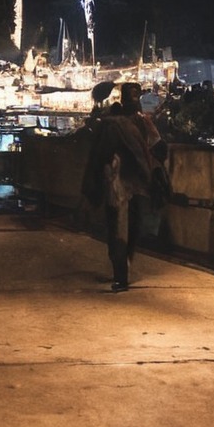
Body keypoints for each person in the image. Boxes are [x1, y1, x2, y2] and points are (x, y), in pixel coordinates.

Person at [80, 83, 161, 291]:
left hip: (119, 184)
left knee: (118, 228)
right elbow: (157, 145)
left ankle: (121, 274)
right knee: (129, 228)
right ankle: (122, 270)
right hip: (135, 183)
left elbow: (99, 155)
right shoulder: (139, 122)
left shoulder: (112, 124)